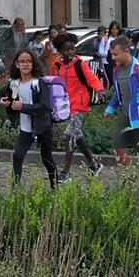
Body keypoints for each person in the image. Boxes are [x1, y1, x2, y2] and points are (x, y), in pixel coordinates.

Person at [0, 49, 57, 188]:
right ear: (16, 64)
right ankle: (15, 189)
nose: (25, 64)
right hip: (26, 128)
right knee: (18, 156)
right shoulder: (14, 84)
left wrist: (24, 107)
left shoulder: (39, 83)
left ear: (33, 64)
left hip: (43, 127)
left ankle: (55, 187)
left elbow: (44, 106)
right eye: (22, 61)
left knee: (47, 159)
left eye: (28, 61)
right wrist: (1, 101)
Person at [51, 34, 105, 182]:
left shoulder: (80, 64)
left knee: (69, 135)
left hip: (80, 104)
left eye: (72, 49)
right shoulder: (57, 65)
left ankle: (66, 172)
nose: (70, 52)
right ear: (61, 51)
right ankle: (94, 164)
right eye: (66, 49)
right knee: (77, 135)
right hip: (65, 105)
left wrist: (99, 89)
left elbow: (91, 78)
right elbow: (53, 82)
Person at [104, 36, 139, 167]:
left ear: (126, 52)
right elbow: (119, 92)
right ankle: (130, 176)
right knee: (118, 144)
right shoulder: (116, 70)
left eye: (116, 54)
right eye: (112, 55)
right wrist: (110, 108)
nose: (113, 58)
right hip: (125, 113)